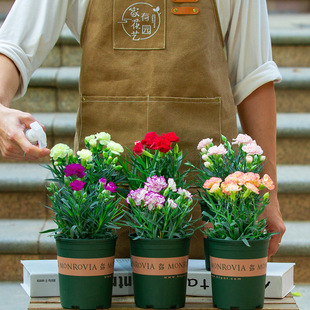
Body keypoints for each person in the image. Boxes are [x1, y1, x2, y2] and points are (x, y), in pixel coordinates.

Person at [0, 0, 285, 257]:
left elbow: (253, 76)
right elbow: (13, 46)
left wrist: (267, 191)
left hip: (204, 192)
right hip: (104, 194)